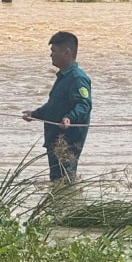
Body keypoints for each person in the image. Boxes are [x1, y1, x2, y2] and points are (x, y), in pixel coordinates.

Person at [22, 31, 91, 183]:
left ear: (66, 53)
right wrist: (34, 114)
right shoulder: (63, 77)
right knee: (56, 181)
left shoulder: (77, 78)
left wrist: (69, 118)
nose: (51, 55)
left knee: (65, 181)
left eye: (54, 50)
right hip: (54, 139)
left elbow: (84, 105)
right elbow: (53, 106)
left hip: (68, 142)